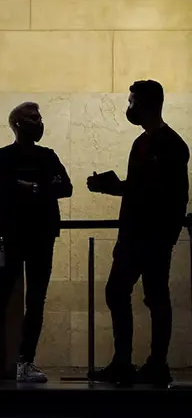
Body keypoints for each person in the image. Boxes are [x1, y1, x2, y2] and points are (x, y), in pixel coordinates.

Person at [87, 80, 189, 387]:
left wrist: (114, 187)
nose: (128, 108)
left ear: (146, 104)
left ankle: (149, 363)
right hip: (134, 236)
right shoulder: (145, 143)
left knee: (149, 297)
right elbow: (145, 190)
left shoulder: (170, 145)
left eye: (132, 102)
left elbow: (162, 194)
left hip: (152, 237)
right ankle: (137, 363)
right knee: (130, 294)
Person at [0, 102, 72, 384]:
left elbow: (67, 187)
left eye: (39, 117)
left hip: (42, 236)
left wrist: (31, 186)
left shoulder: (48, 156)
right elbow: (9, 187)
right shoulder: (4, 156)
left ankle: (26, 361)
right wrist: (42, 186)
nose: (37, 122)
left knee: (36, 300)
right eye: (31, 118)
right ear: (16, 124)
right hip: (12, 236)